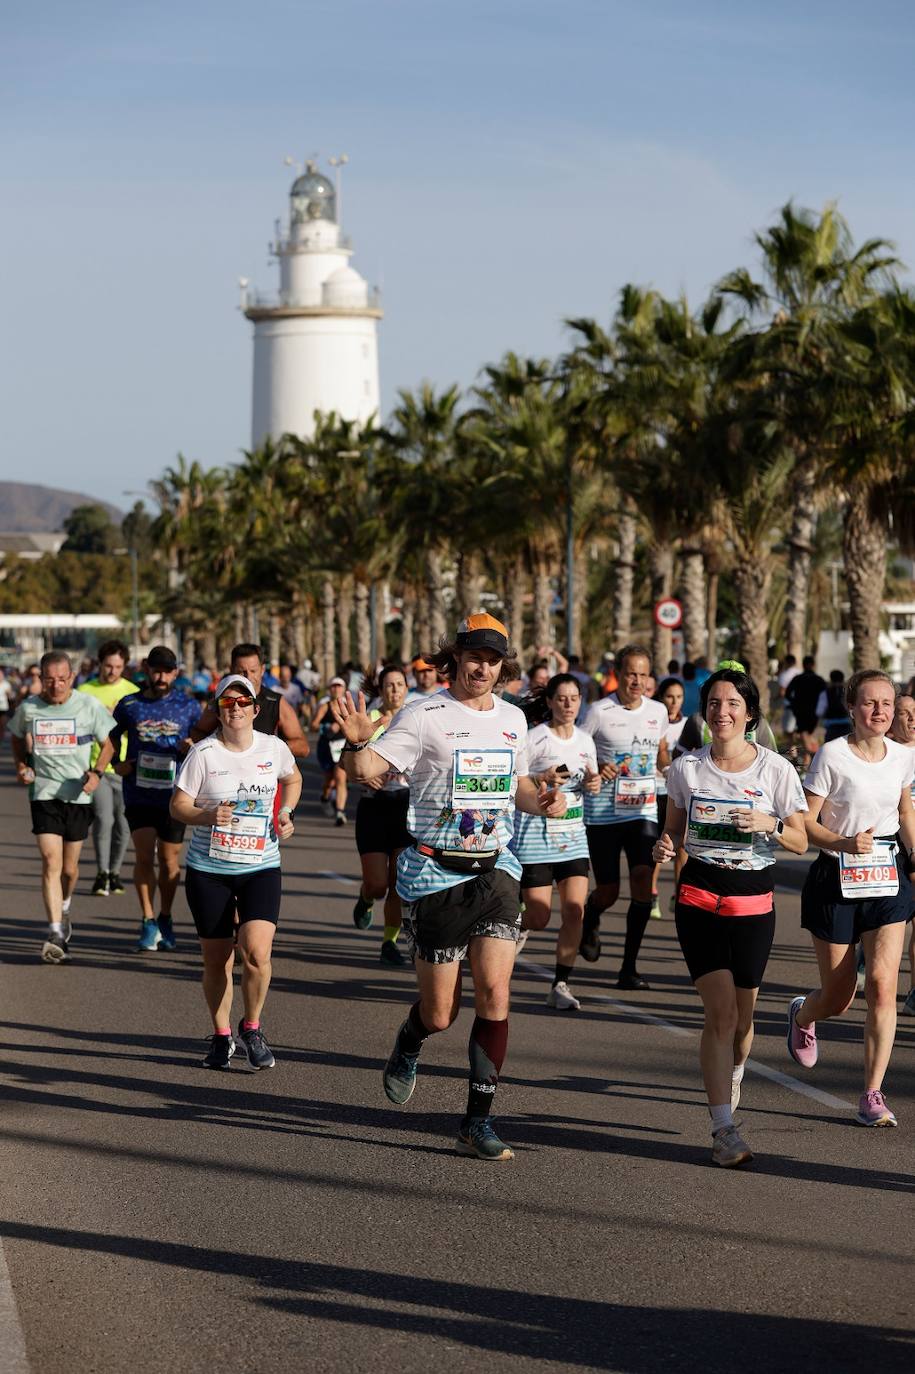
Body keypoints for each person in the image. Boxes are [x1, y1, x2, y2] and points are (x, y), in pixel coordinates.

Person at [333, 613, 569, 1162]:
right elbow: (370, 767)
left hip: (495, 869)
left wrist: (546, 799)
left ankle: (477, 1120)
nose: (483, 667)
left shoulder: (513, 720)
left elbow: (517, 789)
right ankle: (411, 1040)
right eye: (474, 656)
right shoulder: (424, 715)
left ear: (502, 666)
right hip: (436, 873)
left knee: (495, 993)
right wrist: (354, 743)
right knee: (441, 1013)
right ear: (455, 659)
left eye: (493, 659)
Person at [654, 669, 807, 1167]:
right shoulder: (686, 768)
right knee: (719, 1014)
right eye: (715, 703)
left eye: (733, 703)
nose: (722, 711)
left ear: (750, 713)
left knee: (743, 1019)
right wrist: (665, 844)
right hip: (699, 896)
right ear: (705, 711)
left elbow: (802, 841)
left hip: (753, 903)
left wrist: (771, 823)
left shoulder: (776, 771)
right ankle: (723, 1128)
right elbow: (673, 831)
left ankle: (736, 1069)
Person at [786, 670, 915, 1128]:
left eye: (886, 703)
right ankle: (804, 1013)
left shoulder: (901, 757)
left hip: (887, 876)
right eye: (869, 703)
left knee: (883, 985)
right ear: (851, 708)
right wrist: (842, 843)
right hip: (836, 877)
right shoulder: (832, 756)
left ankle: (872, 1093)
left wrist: (914, 857)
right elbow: (806, 823)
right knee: (840, 996)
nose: (879, 711)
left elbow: (904, 810)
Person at [171, 674, 302, 1070]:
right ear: (218, 711)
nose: (236, 709)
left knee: (257, 954)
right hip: (209, 869)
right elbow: (179, 806)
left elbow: (292, 778)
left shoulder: (273, 747)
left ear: (255, 710)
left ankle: (252, 1026)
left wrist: (285, 812)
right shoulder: (204, 754)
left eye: (243, 703)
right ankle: (221, 1034)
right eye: (228, 703)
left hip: (260, 866)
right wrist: (207, 814)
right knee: (217, 960)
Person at [9, 651, 116, 962]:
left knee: (69, 869)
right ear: (41, 679)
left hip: (78, 795)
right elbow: (16, 736)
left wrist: (96, 773)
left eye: (61, 678)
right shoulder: (29, 707)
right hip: (43, 793)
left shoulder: (87, 705)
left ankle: (65, 906)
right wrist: (22, 765)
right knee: (50, 860)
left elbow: (109, 742)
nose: (55, 685)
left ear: (72, 677)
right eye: (49, 679)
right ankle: (55, 931)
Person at [579, 644, 670, 989]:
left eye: (643, 674)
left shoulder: (657, 711)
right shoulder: (598, 711)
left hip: (643, 810)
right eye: (631, 673)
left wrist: (671, 768)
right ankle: (592, 916)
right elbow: (578, 749)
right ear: (618, 672)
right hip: (603, 815)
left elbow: (660, 751)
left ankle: (628, 968)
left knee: (644, 885)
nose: (637, 681)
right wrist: (596, 767)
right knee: (609, 892)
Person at [510, 674, 600, 1010]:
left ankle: (560, 984)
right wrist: (539, 777)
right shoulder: (534, 739)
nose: (568, 705)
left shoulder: (585, 740)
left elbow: (589, 784)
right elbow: (513, 779)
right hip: (534, 837)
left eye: (574, 698)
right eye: (561, 698)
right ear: (549, 701)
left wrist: (593, 786)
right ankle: (512, 929)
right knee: (539, 916)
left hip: (573, 837)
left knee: (575, 911)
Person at [110, 645, 202, 951]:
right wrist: (116, 765)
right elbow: (111, 735)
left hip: (175, 795)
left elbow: (204, 741)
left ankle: (165, 916)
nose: (161, 676)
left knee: (170, 860)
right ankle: (148, 920)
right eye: (156, 670)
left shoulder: (188, 707)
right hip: (138, 792)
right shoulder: (130, 704)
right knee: (145, 855)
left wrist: (191, 747)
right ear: (147, 670)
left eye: (167, 671)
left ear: (176, 673)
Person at [351, 664, 413, 966]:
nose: (395, 690)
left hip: (406, 804)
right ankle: (365, 898)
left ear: (406, 687)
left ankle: (389, 942)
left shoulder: (416, 719)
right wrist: (363, 774)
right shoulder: (370, 719)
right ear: (382, 689)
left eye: (400, 684)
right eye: (389, 685)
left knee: (398, 880)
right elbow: (345, 761)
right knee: (377, 885)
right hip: (374, 806)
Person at [78, 639, 139, 897]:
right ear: (100, 665)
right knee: (104, 819)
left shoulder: (132, 691)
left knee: (124, 824)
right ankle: (101, 873)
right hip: (97, 766)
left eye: (117, 666)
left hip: (126, 767)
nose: (112, 671)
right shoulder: (84, 690)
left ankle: (114, 873)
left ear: (124, 666)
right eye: (108, 666)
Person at [192, 644, 310, 762]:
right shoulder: (222, 700)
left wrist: (267, 748)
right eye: (242, 672)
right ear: (232, 670)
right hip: (229, 771)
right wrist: (218, 749)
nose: (248, 676)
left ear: (262, 670)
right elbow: (197, 734)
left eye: (253, 671)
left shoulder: (276, 702)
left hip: (264, 773)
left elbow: (303, 747)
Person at [650, 676, 686, 918]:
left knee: (682, 847)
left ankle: (679, 893)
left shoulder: (690, 724)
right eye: (669, 697)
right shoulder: (654, 722)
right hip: (657, 791)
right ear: (661, 698)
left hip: (681, 795)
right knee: (661, 844)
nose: (674, 702)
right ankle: (651, 893)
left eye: (679, 697)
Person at [889, 695, 915, 1016]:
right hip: (891, 846)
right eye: (904, 714)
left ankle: (913, 991)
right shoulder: (888, 753)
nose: (911, 719)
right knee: (893, 918)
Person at [312, 677, 350, 823]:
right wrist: (325, 727)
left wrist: (341, 726)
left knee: (341, 777)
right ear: (330, 689)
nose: (336, 689)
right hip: (326, 747)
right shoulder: (325, 706)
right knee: (329, 779)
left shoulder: (348, 707)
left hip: (342, 746)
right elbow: (313, 725)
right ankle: (325, 797)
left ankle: (340, 812)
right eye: (333, 686)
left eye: (339, 686)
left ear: (344, 689)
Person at [786, 655, 828, 757]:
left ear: (803, 665)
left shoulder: (797, 678)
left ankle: (811, 756)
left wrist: (794, 703)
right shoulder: (819, 679)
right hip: (814, 712)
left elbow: (788, 694)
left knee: (804, 733)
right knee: (809, 734)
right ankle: (811, 757)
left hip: (800, 711)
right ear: (813, 665)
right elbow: (825, 696)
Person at [820, 669, 849, 743]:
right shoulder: (848, 692)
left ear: (831, 679)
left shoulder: (825, 692)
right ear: (843, 679)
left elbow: (819, 711)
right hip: (847, 724)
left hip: (831, 726)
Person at [0, 666, 13, 744]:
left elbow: (10, 696)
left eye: (1, 675)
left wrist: (8, 694)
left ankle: (2, 738)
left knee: (2, 724)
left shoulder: (6, 684)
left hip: (3, 707)